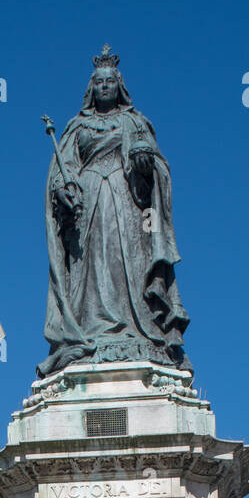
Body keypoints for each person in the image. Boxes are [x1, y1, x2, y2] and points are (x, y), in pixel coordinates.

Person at [39, 45, 190, 378]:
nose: (104, 86)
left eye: (109, 81)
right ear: (91, 88)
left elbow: (158, 167)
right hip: (88, 204)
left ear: (118, 86)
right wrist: (63, 191)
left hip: (127, 202)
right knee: (88, 271)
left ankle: (137, 330)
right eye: (99, 82)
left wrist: (146, 164)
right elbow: (60, 171)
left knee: (128, 267)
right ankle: (88, 332)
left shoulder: (135, 122)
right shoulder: (76, 127)